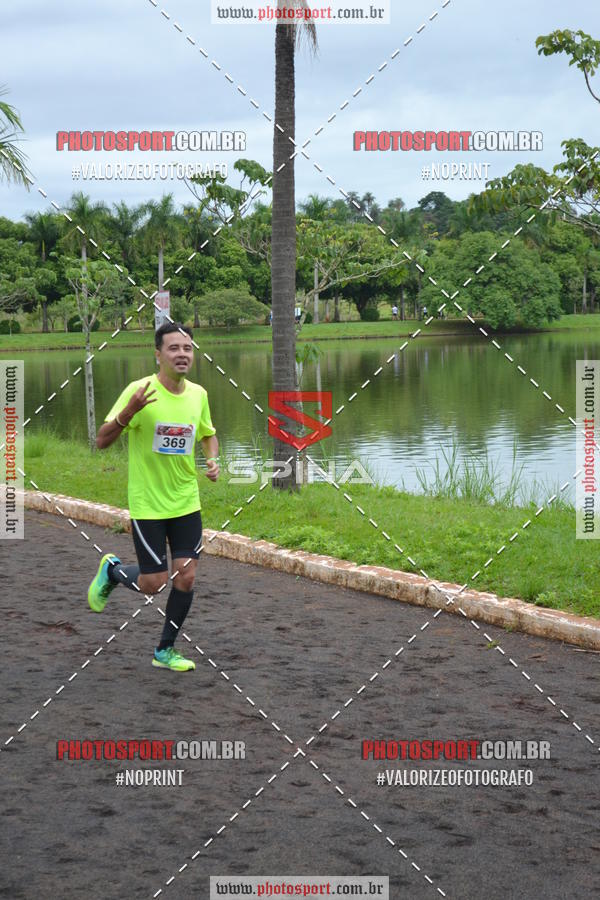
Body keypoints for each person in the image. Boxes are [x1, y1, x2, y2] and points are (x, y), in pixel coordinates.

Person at [87, 322, 219, 672]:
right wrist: (129, 411)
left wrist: (212, 459)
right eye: (174, 348)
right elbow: (101, 440)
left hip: (187, 501)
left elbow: (207, 434)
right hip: (148, 505)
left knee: (186, 577)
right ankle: (113, 570)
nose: (182, 354)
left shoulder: (199, 395)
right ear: (158, 354)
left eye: (187, 348)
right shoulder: (139, 389)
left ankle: (165, 650)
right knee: (153, 583)